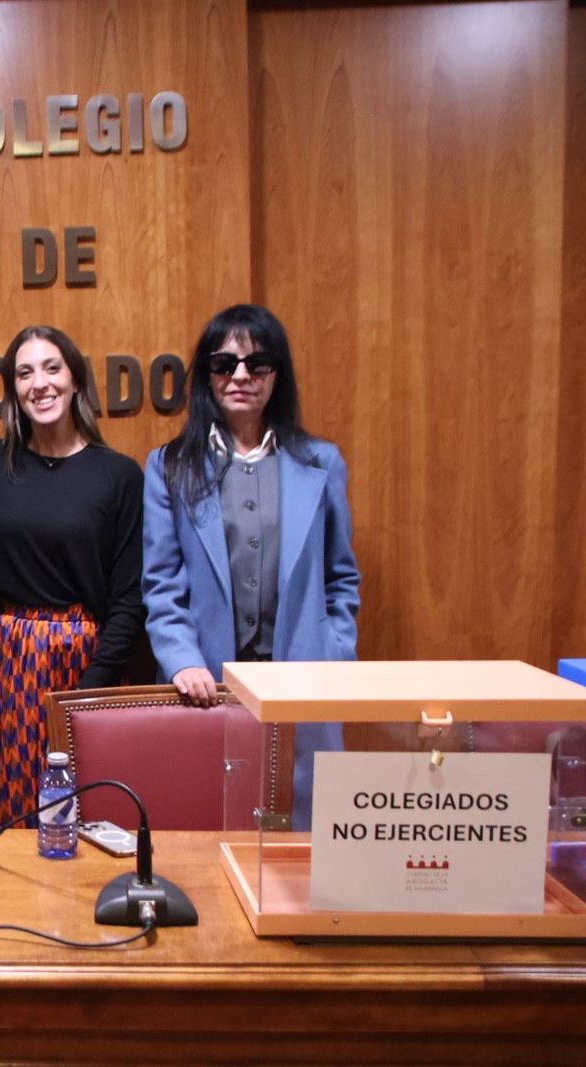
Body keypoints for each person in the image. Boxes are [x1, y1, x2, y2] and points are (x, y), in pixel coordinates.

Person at [141, 303, 359, 828]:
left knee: (304, 829)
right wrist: (181, 660)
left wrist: (333, 651)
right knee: (206, 824)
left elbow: (341, 577)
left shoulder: (320, 463)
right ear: (207, 376)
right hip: (204, 685)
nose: (240, 376)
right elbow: (161, 582)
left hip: (304, 682)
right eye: (224, 364)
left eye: (257, 364)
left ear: (277, 375)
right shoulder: (170, 466)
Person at [0, 326, 144, 828]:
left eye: (51, 368)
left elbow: (130, 597)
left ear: (75, 379)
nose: (39, 383)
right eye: (24, 373)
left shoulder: (119, 475)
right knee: (13, 814)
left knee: (83, 815)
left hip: (83, 660)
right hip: (7, 662)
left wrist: (89, 690)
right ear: (12, 390)